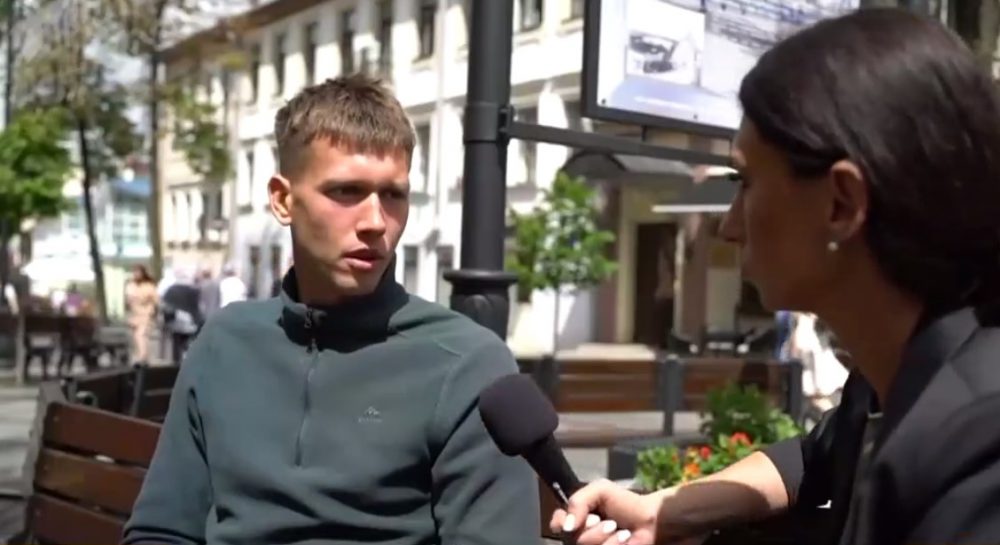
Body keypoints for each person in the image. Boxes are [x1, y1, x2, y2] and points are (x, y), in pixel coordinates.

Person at [550, 9, 1000, 545]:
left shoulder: (978, 447)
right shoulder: (888, 383)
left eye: (745, 182)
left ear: (841, 204)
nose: (729, 225)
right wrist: (661, 513)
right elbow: (812, 457)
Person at [123, 74, 538, 545]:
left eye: (393, 195)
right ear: (283, 200)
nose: (375, 222)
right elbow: (161, 531)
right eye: (346, 192)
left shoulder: (466, 364)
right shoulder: (224, 343)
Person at [125, 265, 159, 364]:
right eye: (135, 272)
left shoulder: (149, 286)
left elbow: (156, 300)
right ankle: (143, 356)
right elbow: (128, 300)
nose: (136, 274)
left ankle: (142, 357)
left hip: (146, 314)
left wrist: (153, 311)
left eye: (139, 272)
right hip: (134, 314)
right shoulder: (130, 285)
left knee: (140, 335)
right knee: (136, 337)